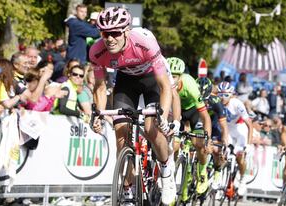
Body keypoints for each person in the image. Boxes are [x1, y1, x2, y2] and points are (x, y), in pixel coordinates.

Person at [89, 7, 175, 205]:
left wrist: (162, 115)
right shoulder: (96, 51)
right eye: (104, 33)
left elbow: (165, 86)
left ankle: (166, 169)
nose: (109, 39)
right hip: (126, 82)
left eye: (115, 33)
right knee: (120, 132)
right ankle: (128, 188)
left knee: (151, 129)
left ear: (126, 31)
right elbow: (100, 87)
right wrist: (98, 115)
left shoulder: (145, 43)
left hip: (151, 81)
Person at [166, 57, 212, 199]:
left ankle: (203, 171)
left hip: (193, 112)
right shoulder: (164, 81)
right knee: (173, 146)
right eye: (169, 75)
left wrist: (207, 140)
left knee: (197, 143)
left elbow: (205, 117)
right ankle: (170, 182)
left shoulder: (190, 85)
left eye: (174, 76)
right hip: (176, 112)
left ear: (180, 77)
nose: (170, 79)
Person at [217, 81, 253, 196]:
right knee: (224, 153)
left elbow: (249, 124)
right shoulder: (217, 103)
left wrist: (249, 144)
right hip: (228, 129)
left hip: (240, 129)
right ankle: (219, 183)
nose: (223, 98)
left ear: (231, 95)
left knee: (240, 156)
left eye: (226, 95)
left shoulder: (237, 103)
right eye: (220, 95)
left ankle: (243, 179)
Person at [198, 77, 229, 190]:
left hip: (214, 124)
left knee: (216, 150)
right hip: (198, 122)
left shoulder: (216, 101)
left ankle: (217, 171)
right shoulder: (193, 97)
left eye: (205, 100)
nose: (204, 102)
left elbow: (224, 125)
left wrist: (225, 140)